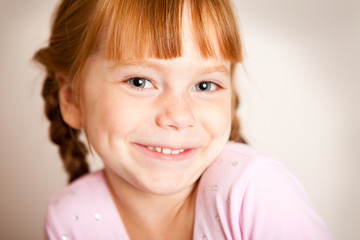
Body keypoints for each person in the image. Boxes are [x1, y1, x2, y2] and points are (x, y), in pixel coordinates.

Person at [34, 0, 334, 239]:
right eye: (139, 81)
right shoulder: (69, 216)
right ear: (72, 99)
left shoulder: (255, 191)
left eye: (204, 86)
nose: (178, 116)